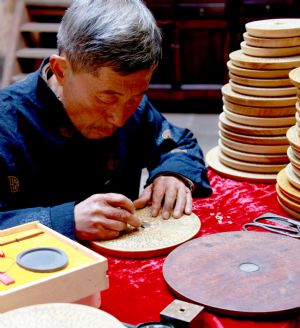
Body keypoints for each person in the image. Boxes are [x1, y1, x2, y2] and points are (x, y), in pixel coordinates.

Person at [0, 0, 212, 242]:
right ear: (61, 71)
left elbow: (177, 142)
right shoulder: (6, 122)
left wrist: (173, 175)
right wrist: (64, 221)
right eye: (106, 98)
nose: (120, 118)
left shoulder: (130, 103)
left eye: (136, 97)